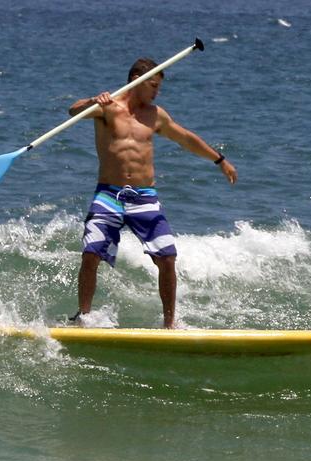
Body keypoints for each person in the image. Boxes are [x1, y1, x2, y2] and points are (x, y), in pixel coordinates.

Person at [67, 57, 237, 328]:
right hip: (109, 193)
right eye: (153, 86)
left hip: (144, 196)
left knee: (167, 258)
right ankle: (83, 316)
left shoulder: (156, 115)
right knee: (91, 253)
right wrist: (91, 102)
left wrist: (219, 160)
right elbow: (73, 111)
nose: (157, 92)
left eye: (158, 87)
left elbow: (185, 138)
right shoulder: (108, 108)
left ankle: (170, 324)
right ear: (136, 81)